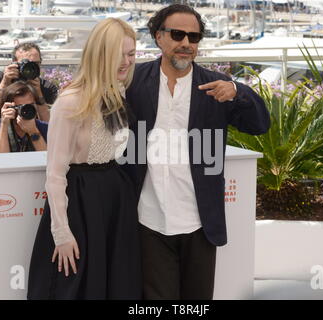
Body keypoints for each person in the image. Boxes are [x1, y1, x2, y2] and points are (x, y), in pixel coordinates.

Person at [124, 4, 270, 300]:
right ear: (158, 36)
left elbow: (260, 125)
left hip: (200, 222)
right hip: (147, 218)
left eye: (194, 37)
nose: (186, 44)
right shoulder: (134, 81)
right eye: (177, 34)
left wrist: (239, 92)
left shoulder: (216, 86)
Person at [27, 18, 141, 300]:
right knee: (75, 287)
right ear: (100, 54)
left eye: (131, 54)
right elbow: (55, 174)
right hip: (80, 203)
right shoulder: (70, 102)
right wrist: (62, 233)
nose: (126, 62)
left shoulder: (119, 93)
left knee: (118, 284)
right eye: (119, 54)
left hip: (115, 198)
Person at [0, 42, 58, 122]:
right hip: (1, 130)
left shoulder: (47, 87)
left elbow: (49, 126)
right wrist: (4, 84)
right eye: (25, 64)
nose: (30, 68)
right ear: (14, 64)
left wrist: (39, 94)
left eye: (35, 64)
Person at [0, 81, 47, 153]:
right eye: (20, 107)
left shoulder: (44, 127)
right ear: (9, 107)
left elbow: (47, 159)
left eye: (30, 106)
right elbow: (0, 160)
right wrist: (4, 126)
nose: (26, 110)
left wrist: (33, 132)